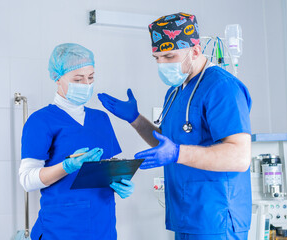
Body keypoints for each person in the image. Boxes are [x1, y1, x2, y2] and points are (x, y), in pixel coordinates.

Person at [98, 13, 252, 240]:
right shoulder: (175, 91)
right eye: (157, 58)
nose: (162, 64)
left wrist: (178, 153)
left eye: (169, 56)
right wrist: (136, 119)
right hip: (185, 214)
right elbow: (167, 143)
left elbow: (239, 157)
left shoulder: (222, 88)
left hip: (217, 217)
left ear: (196, 51)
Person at [19, 43, 135, 240]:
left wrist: (121, 181)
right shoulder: (41, 121)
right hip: (61, 228)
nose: (86, 85)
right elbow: (27, 180)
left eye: (90, 78)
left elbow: (110, 168)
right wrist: (67, 166)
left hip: (102, 226)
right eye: (78, 79)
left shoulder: (101, 119)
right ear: (57, 78)